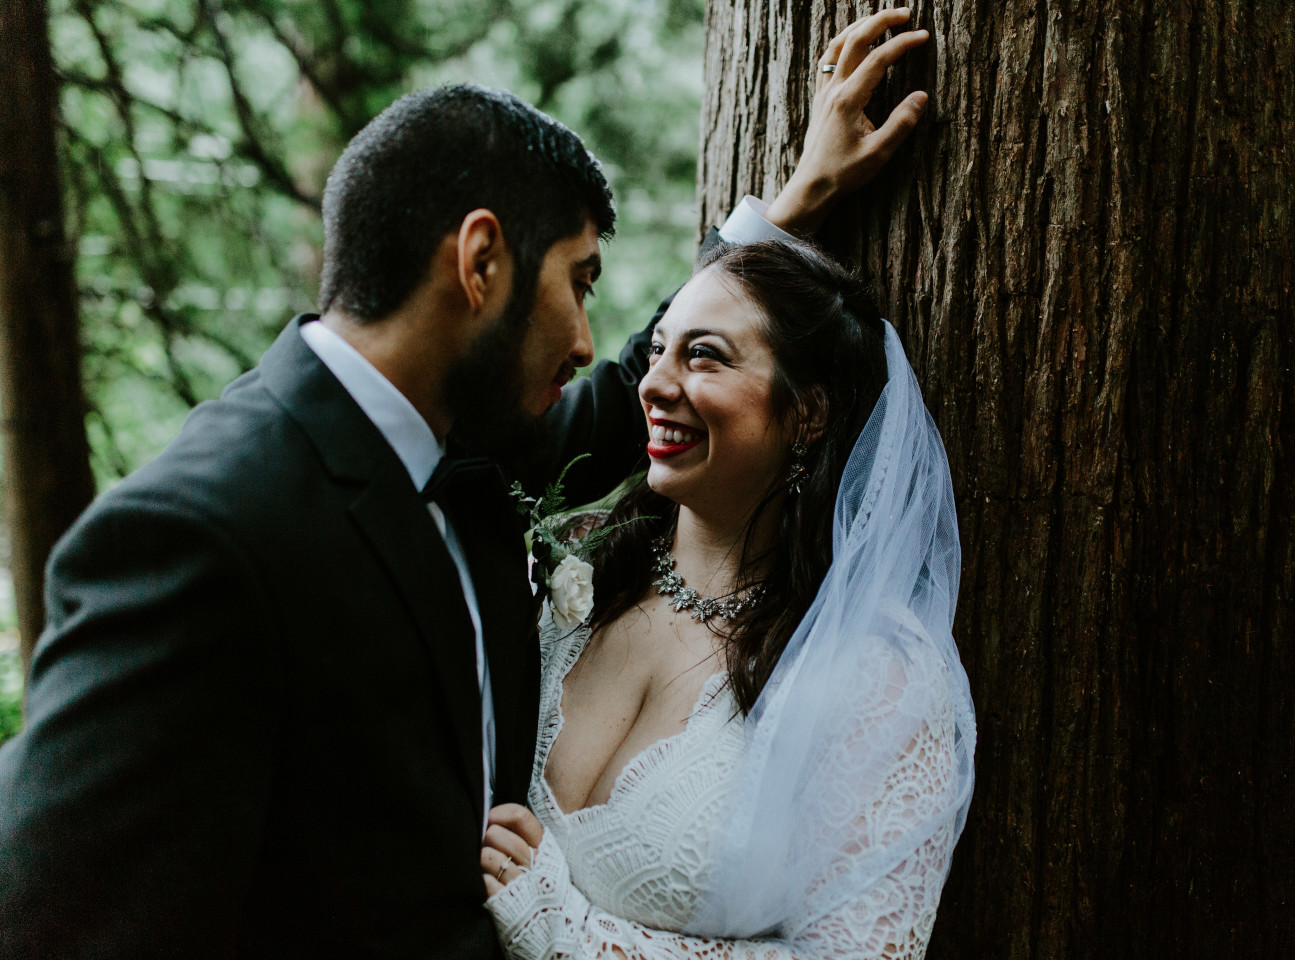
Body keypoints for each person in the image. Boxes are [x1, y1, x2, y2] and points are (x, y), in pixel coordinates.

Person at [0, 8, 931, 958]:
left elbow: (639, 403)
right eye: (579, 281)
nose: (583, 339)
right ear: (481, 262)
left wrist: (789, 207)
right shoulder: (200, 531)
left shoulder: (470, 452)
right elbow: (62, 915)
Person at [479, 237, 976, 960]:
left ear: (807, 415)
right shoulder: (577, 576)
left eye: (703, 355)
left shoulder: (875, 678)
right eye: (657, 351)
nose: (652, 384)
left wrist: (564, 934)